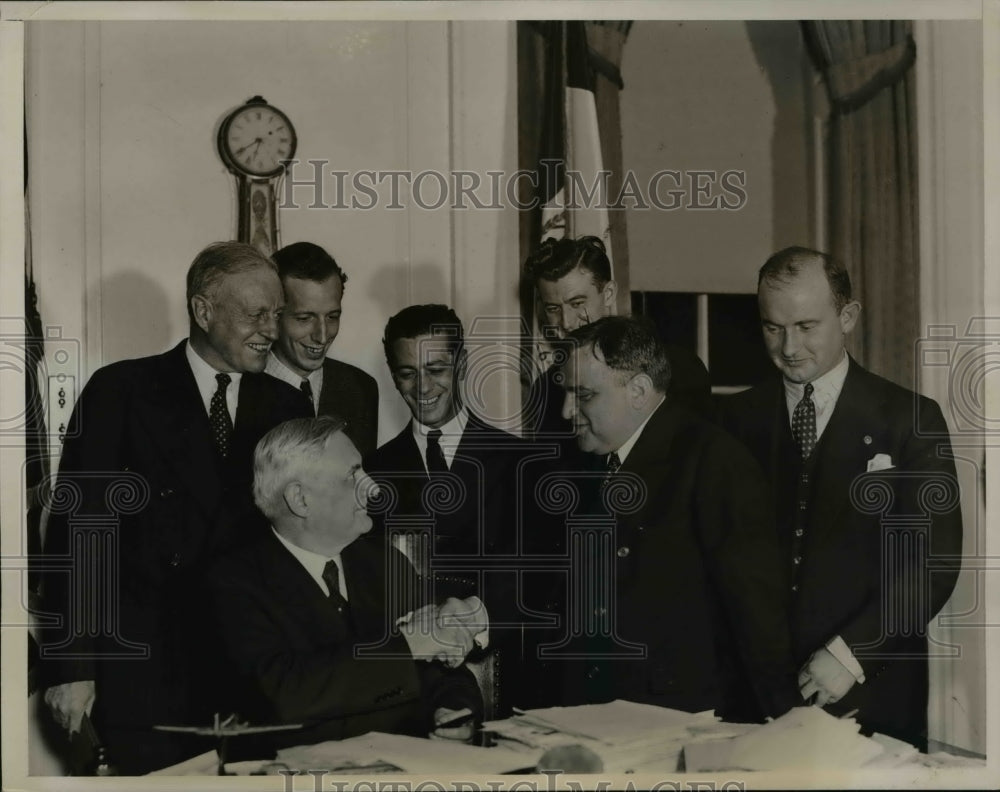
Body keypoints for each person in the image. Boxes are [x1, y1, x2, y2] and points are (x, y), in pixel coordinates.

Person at [38, 242, 312, 774]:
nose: (271, 330)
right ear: (203, 310)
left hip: (253, 675)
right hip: (145, 674)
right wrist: (70, 667)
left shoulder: (288, 406)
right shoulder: (121, 391)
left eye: (276, 314)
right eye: (256, 313)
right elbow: (77, 535)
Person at [719, 247, 963, 750]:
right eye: (773, 327)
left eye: (807, 326)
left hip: (871, 695)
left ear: (847, 316)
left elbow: (933, 561)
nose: (789, 346)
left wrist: (853, 654)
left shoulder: (910, 419)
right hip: (752, 701)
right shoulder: (732, 421)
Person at [544, 315, 799, 721]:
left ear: (640, 391)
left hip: (678, 723)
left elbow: (757, 620)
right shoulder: (586, 468)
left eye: (584, 395)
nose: (566, 410)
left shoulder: (715, 462)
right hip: (590, 717)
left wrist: (787, 728)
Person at [210, 416, 483, 750]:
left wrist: (455, 710)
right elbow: (283, 695)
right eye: (353, 474)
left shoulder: (385, 563)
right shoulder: (233, 582)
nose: (373, 486)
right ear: (300, 499)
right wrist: (407, 644)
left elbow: (445, 672)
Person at [364, 304, 551, 714]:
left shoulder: (520, 462)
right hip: (413, 687)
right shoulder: (371, 471)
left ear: (462, 363)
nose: (422, 387)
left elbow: (537, 581)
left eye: (437, 369)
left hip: (509, 678)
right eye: (407, 373)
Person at [522, 236, 711, 443]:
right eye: (553, 309)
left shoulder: (678, 369)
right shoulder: (547, 389)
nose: (566, 322)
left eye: (577, 303)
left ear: (609, 294)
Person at [267, 242, 379, 457]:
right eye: (304, 318)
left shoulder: (361, 388)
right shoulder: (237, 388)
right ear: (274, 316)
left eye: (332, 317)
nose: (322, 335)